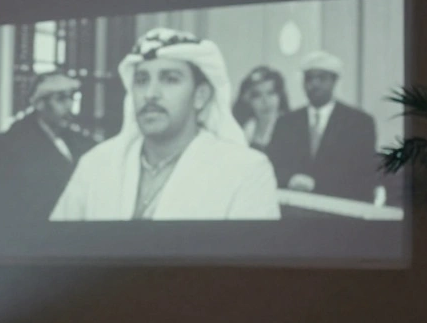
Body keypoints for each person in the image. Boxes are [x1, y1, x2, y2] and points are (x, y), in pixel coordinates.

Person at [51, 28, 280, 221]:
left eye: (170, 79)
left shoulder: (245, 172)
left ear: (200, 96)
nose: (150, 93)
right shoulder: (96, 165)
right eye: (142, 80)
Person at [0, 72, 99, 227]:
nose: (69, 106)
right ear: (39, 103)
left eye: (71, 98)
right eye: (61, 99)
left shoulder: (81, 144)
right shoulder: (5, 146)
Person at [264, 51, 381, 202]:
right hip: (295, 206)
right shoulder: (286, 122)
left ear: (334, 81)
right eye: (309, 78)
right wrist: (290, 180)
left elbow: (364, 174)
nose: (314, 84)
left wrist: (317, 185)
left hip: (341, 207)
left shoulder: (359, 123)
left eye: (322, 78)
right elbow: (271, 166)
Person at [232, 65, 290, 151]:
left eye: (271, 93)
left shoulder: (290, 128)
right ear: (248, 101)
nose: (265, 101)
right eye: (257, 96)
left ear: (280, 96)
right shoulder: (247, 129)